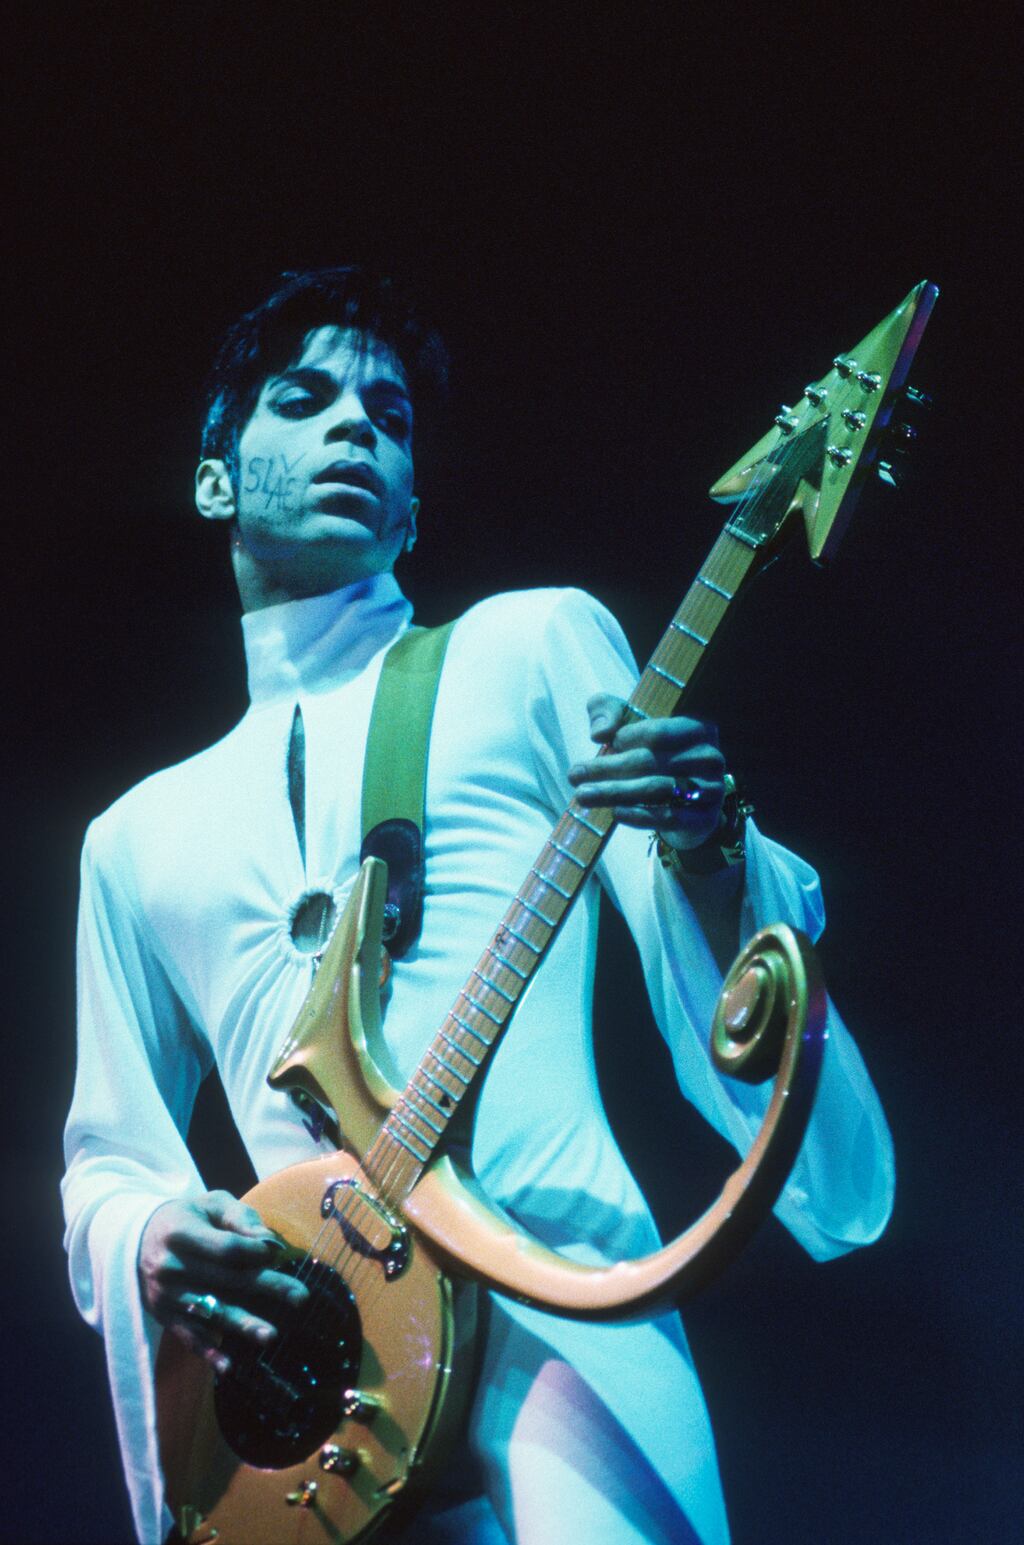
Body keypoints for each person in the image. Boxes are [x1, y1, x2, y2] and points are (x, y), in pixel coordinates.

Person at [62, 267, 895, 1545]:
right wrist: (150, 1231)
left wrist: (708, 842)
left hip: (562, 1312)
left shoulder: (532, 646)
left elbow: (706, 975)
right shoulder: (132, 839)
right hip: (321, 1398)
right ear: (216, 476)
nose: (355, 425)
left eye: (388, 417)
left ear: (410, 507)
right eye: (304, 399)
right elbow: (109, 1157)